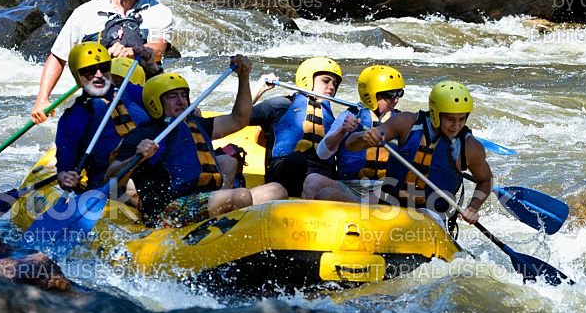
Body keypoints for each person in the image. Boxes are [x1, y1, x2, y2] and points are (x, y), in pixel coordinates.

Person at [106, 55, 287, 228]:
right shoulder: (144, 134)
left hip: (204, 199)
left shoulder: (196, 124)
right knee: (240, 197)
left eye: (183, 95)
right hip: (168, 210)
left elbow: (239, 120)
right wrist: (139, 156)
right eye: (172, 96)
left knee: (276, 191)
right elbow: (112, 178)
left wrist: (243, 77)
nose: (181, 101)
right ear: (155, 102)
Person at [31, 0, 173, 124]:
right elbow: (58, 56)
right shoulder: (85, 13)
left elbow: (158, 49)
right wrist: (42, 98)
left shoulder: (158, 10)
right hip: (101, 100)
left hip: (145, 98)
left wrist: (132, 51)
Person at [346, 81, 492, 228]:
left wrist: (473, 208)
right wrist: (363, 137)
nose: (456, 126)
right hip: (389, 207)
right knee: (329, 192)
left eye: (462, 119)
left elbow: (486, 180)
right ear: (435, 113)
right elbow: (351, 145)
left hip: (431, 217)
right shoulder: (406, 122)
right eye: (450, 119)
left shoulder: (470, 147)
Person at [249, 57, 350, 198]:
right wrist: (260, 89)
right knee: (297, 160)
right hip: (287, 169)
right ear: (306, 80)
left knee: (325, 180)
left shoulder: (337, 121)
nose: (332, 87)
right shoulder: (281, 105)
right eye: (326, 81)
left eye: (335, 84)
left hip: (320, 173)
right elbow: (239, 117)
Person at [54, 43, 149, 192]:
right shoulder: (73, 118)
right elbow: (64, 169)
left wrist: (153, 67)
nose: (99, 75)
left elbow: (167, 106)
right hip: (112, 185)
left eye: (104, 67)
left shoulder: (131, 91)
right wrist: (66, 177)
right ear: (77, 75)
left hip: (154, 169)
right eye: (89, 71)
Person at [303, 64, 405, 203]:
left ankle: (362, 208)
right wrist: (342, 130)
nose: (396, 100)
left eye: (399, 93)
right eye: (391, 95)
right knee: (312, 182)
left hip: (383, 189)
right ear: (371, 95)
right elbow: (322, 153)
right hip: (350, 186)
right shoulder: (348, 116)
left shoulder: (401, 121)